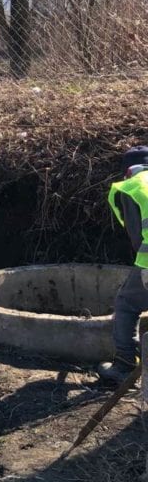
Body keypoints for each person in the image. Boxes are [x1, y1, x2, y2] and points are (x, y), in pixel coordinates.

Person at [101, 145, 148, 385]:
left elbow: (137, 234)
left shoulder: (132, 187)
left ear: (128, 170)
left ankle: (125, 365)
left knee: (127, 303)